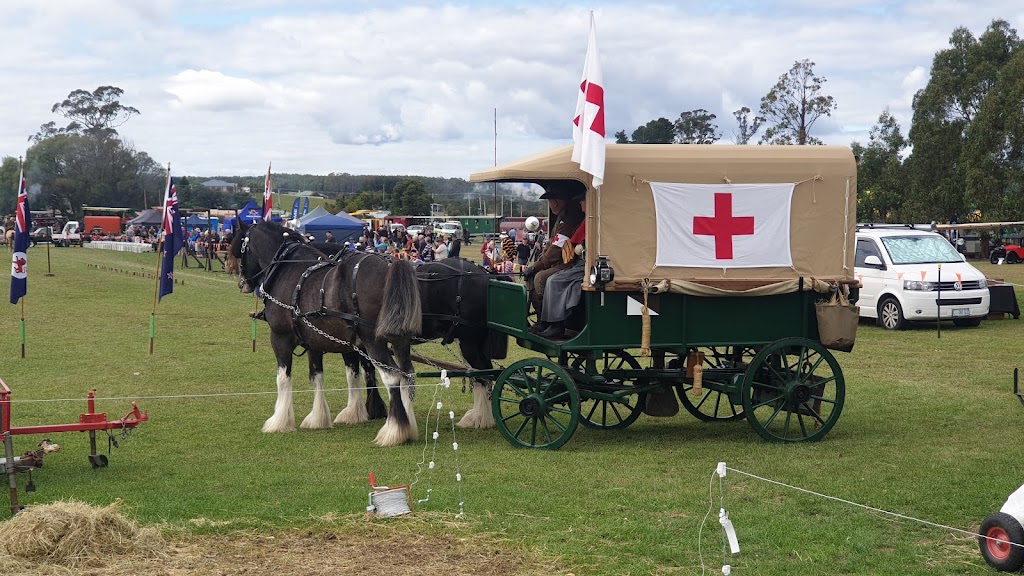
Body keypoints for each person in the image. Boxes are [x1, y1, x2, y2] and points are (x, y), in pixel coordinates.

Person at [523, 181, 585, 332]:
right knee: (533, 277)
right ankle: (541, 320)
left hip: (568, 262)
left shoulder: (568, 217)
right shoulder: (563, 216)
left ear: (555, 202)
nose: (551, 205)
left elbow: (557, 249)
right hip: (561, 261)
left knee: (541, 278)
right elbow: (553, 244)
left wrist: (537, 266)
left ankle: (552, 322)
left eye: (550, 201)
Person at [536, 190, 588, 339]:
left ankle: (556, 324)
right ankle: (545, 321)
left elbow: (563, 246)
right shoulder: (582, 219)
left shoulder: (572, 218)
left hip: (585, 263)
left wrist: (539, 265)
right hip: (579, 261)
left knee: (551, 280)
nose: (580, 203)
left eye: (583, 200)